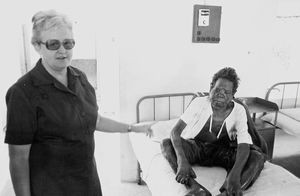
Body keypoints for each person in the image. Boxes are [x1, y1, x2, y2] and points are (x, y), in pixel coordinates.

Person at [4, 10, 151, 196]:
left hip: (86, 182)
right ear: (37, 46)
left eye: (68, 43)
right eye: (53, 44)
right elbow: (18, 158)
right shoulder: (23, 92)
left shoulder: (79, 77)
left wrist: (132, 128)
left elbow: (94, 120)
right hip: (50, 188)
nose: (62, 50)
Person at [160, 67, 266, 196]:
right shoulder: (199, 103)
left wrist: (235, 174)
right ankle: (194, 187)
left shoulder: (239, 110)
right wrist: (182, 161)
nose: (221, 94)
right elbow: (175, 132)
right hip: (197, 148)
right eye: (217, 89)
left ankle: (228, 192)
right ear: (211, 88)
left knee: (257, 157)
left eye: (226, 92)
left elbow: (243, 143)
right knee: (167, 144)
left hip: (223, 152)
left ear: (233, 94)